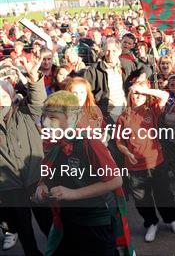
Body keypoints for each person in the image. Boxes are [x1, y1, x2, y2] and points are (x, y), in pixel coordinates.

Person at [35, 91, 133, 256]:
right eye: (44, 116)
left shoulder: (90, 143)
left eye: (53, 118)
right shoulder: (54, 146)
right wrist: (41, 188)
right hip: (68, 221)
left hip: (95, 224)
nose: (45, 123)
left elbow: (115, 181)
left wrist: (72, 194)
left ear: (73, 118)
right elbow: (47, 178)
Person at [116, 82, 175, 242]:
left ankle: (171, 219)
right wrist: (127, 153)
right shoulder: (123, 117)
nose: (138, 96)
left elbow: (165, 95)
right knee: (141, 199)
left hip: (156, 161)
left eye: (141, 93)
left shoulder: (151, 110)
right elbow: (119, 142)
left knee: (164, 193)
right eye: (135, 93)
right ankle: (151, 223)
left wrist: (143, 89)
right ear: (129, 95)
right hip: (134, 166)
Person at [0, 56, 52, 256]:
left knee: (47, 222)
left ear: (13, 96)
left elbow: (38, 100)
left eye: (4, 96)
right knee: (23, 228)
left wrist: (33, 78)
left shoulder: (26, 113)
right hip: (9, 186)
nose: (1, 101)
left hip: (35, 180)